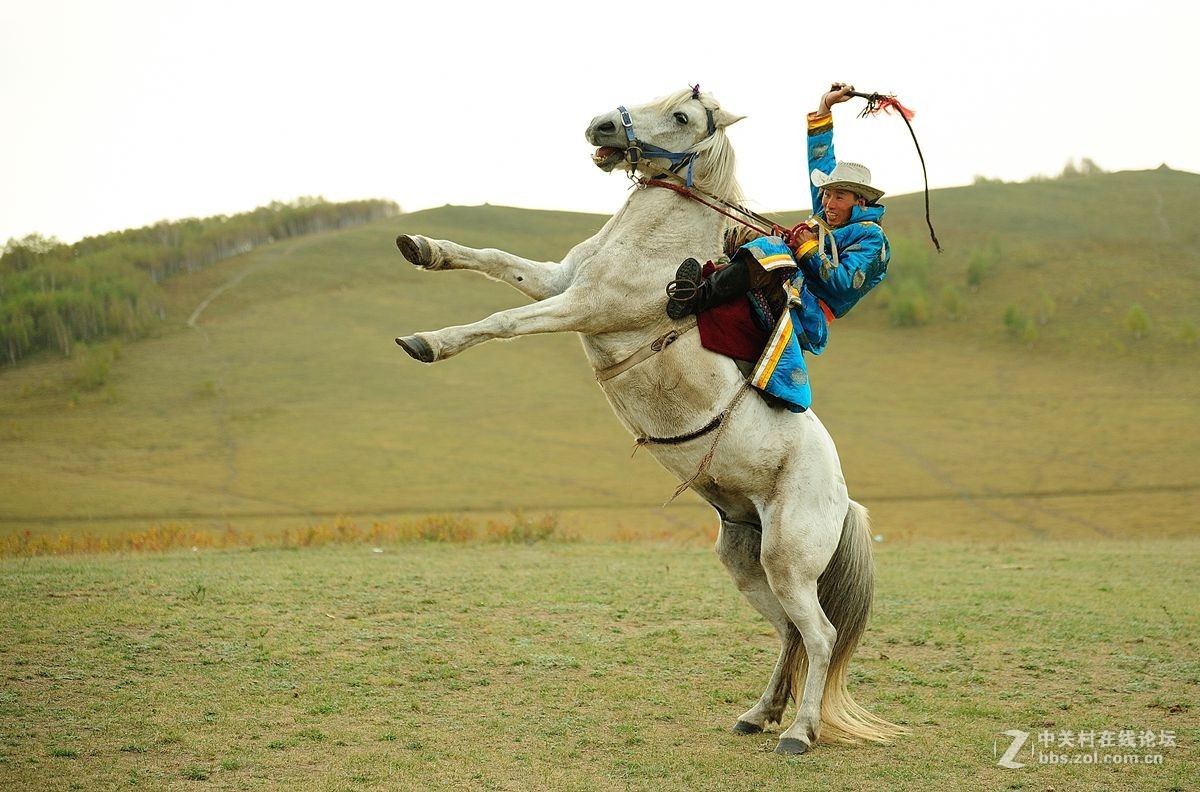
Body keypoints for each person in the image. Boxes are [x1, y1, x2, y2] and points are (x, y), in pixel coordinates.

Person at [664, 82, 891, 411]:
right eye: (826, 194)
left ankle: (696, 297)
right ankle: (697, 271)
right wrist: (825, 108)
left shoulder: (872, 240)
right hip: (789, 280)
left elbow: (843, 285)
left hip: (807, 310)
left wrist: (807, 249)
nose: (828, 202)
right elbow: (820, 162)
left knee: (769, 248)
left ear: (860, 202)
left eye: (838, 196)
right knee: (740, 229)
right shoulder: (829, 214)